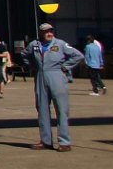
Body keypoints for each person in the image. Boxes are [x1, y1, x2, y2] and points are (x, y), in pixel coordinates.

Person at [31, 23, 84, 151]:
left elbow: (78, 56)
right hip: (40, 76)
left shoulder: (60, 44)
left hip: (56, 75)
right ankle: (46, 141)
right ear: (41, 33)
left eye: (51, 31)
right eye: (46, 32)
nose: (49, 34)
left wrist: (65, 67)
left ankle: (64, 142)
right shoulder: (34, 45)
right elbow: (25, 55)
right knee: (42, 109)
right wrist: (34, 67)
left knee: (61, 109)